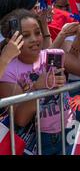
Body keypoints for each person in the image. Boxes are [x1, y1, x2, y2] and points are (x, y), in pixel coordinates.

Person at [0, 9, 74, 155]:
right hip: (33, 143)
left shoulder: (49, 55)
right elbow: (20, 119)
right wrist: (38, 88)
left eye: (37, 32)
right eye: (25, 36)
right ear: (11, 40)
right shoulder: (7, 71)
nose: (34, 39)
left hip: (68, 133)